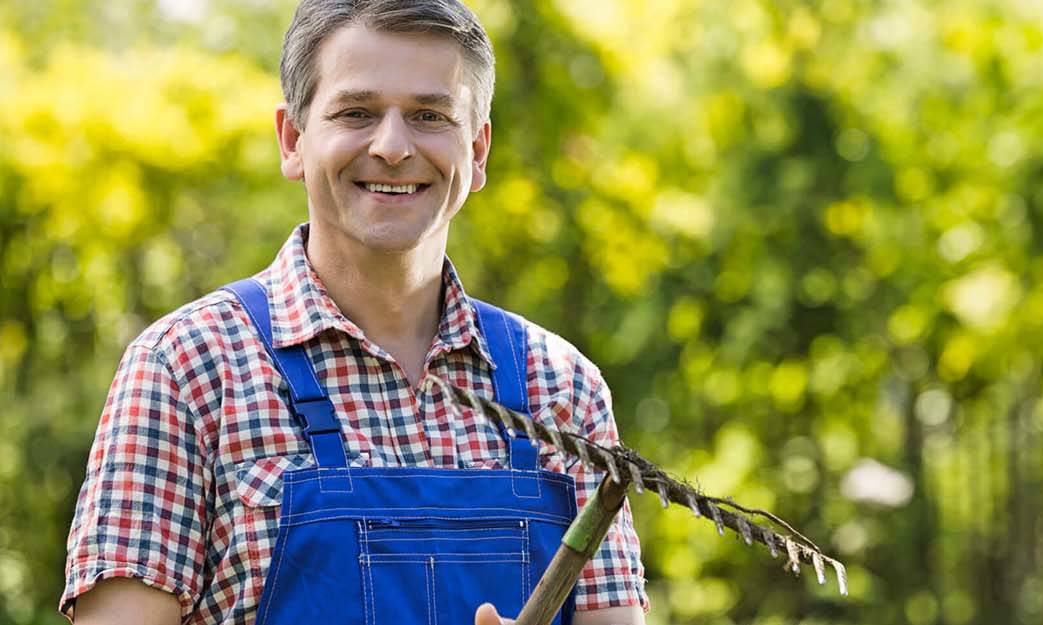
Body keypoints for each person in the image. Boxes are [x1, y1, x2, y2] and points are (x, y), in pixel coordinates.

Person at [59, 1, 649, 624]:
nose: (393, 147)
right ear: (293, 139)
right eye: (357, 113)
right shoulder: (187, 369)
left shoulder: (560, 389)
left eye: (429, 115)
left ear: (476, 150)